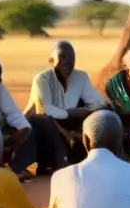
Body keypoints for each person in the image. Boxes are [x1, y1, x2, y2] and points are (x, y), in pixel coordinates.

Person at [22, 41, 106, 172]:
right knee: (41, 123)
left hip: (67, 126)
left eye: (72, 57)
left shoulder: (81, 77)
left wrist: (80, 113)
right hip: (43, 128)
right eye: (62, 57)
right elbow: (46, 111)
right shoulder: (42, 79)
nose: (68, 61)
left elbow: (99, 103)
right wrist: (72, 124)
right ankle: (45, 161)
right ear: (51, 61)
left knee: (105, 112)